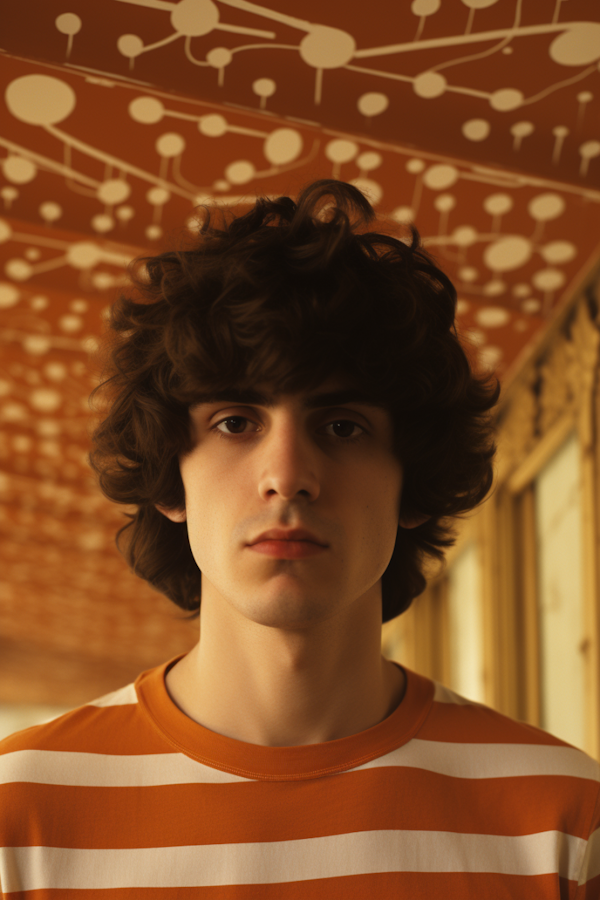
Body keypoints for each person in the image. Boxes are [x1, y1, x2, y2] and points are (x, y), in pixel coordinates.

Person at [0, 179, 598, 898]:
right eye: (234, 423)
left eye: (342, 426)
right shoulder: (20, 818)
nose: (288, 475)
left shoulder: (566, 824)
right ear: (168, 479)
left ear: (412, 481)